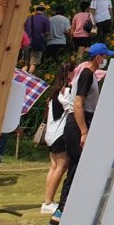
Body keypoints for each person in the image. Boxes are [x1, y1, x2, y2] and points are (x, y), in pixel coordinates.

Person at [50, 42, 114, 224]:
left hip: (80, 122)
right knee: (77, 168)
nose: (106, 60)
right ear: (98, 57)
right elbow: (78, 103)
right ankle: (62, 210)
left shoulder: (88, 73)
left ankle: (68, 209)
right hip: (78, 123)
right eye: (105, 56)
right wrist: (84, 131)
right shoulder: (86, 74)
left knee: (79, 167)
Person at [40, 61, 76, 215]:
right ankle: (48, 201)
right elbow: (71, 107)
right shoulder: (65, 90)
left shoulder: (54, 90)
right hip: (60, 133)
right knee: (61, 167)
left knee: (54, 166)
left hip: (51, 133)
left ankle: (47, 200)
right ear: (69, 73)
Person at [23, 5, 51, 73]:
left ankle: (21, 77)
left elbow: (24, 29)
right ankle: (28, 79)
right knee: (33, 64)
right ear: (44, 11)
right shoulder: (45, 19)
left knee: (26, 65)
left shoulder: (29, 18)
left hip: (26, 43)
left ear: (36, 10)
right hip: (38, 43)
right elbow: (47, 32)